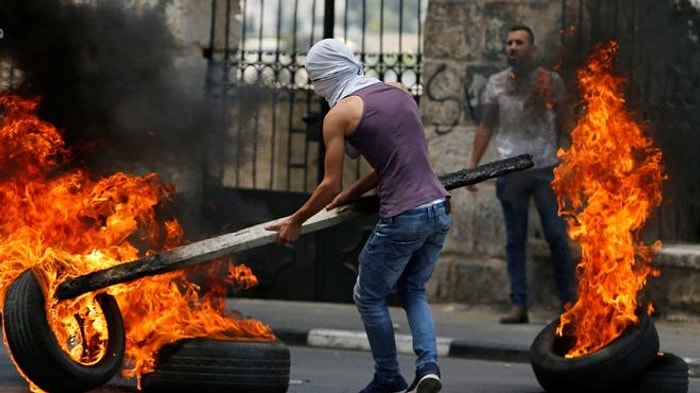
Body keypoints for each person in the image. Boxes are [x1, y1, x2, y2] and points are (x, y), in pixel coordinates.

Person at [266, 38, 451, 393]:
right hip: (439, 209)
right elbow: (401, 159)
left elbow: (328, 185)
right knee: (413, 289)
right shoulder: (398, 91)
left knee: (368, 296)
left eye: (316, 80)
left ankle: (388, 378)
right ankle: (428, 367)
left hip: (403, 216)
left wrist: (296, 220)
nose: (318, 91)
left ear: (325, 76)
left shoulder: (340, 115)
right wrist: (355, 191)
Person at [467, 25, 577, 324]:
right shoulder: (497, 83)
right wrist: (475, 168)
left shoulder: (549, 81)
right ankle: (519, 304)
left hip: (544, 168)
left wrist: (581, 156)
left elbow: (566, 123)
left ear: (532, 49)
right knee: (515, 239)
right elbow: (486, 126)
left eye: (519, 43)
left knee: (555, 235)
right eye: (509, 43)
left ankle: (570, 302)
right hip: (510, 169)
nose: (512, 47)